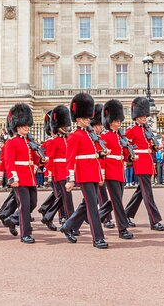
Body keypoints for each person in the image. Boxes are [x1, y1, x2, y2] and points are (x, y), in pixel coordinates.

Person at [59, 93, 108, 248]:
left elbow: (91, 154)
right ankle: (97, 237)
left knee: (86, 204)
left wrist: (101, 154)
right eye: (86, 118)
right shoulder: (74, 136)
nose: (88, 120)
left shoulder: (89, 134)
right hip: (84, 174)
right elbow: (71, 159)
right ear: (78, 118)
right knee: (93, 205)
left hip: (93, 172)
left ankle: (68, 226)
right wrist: (71, 178)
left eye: (89, 117)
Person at [124, 96, 164, 231]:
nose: (144, 118)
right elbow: (127, 146)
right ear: (136, 117)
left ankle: (126, 215)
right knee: (148, 193)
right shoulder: (132, 130)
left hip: (148, 162)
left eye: (144, 116)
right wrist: (132, 156)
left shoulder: (147, 129)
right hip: (140, 163)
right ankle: (154, 221)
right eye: (141, 117)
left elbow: (150, 145)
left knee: (141, 192)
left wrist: (155, 148)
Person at [3, 104, 42, 244]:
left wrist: (39, 162)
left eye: (27, 125)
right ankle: (25, 234)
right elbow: (9, 162)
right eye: (23, 125)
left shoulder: (29, 142)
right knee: (24, 206)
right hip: (19, 178)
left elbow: (35, 159)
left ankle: (13, 219)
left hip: (30, 177)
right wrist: (13, 177)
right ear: (17, 126)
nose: (27, 127)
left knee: (33, 203)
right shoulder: (11, 143)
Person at [98, 99, 134, 240]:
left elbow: (123, 154)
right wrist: (103, 172)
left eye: (119, 121)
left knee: (114, 200)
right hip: (111, 172)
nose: (119, 123)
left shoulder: (120, 136)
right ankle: (122, 228)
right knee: (117, 201)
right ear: (110, 121)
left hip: (120, 171)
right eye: (116, 121)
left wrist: (130, 158)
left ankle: (96, 216)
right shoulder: (105, 136)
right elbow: (103, 156)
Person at [41, 105, 74, 230]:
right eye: (64, 125)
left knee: (61, 197)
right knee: (65, 198)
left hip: (66, 172)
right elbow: (49, 160)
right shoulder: (54, 141)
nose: (66, 128)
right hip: (58, 173)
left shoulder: (68, 139)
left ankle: (47, 213)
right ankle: (68, 220)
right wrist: (50, 174)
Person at [90, 104, 114, 229]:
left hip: (102, 170)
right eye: (97, 125)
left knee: (101, 196)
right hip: (94, 170)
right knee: (96, 197)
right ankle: (104, 218)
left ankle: (105, 218)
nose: (99, 127)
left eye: (100, 125)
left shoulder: (102, 138)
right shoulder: (90, 138)